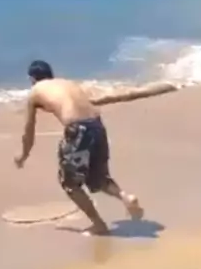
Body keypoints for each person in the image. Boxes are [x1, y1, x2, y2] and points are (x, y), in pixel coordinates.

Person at [14, 60, 144, 235]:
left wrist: (23, 155)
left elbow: (28, 132)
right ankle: (125, 196)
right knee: (99, 178)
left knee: (69, 183)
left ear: (32, 79)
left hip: (78, 129)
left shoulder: (35, 91)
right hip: (97, 124)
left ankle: (99, 224)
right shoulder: (67, 83)